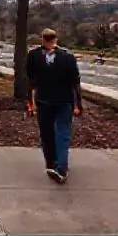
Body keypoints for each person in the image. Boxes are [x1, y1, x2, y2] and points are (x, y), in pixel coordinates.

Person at [25, 28, 83, 184]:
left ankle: (51, 163)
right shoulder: (68, 57)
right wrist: (78, 104)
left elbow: (30, 81)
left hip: (43, 100)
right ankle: (61, 168)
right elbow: (75, 82)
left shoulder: (33, 56)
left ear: (42, 39)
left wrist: (30, 102)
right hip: (64, 100)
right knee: (62, 134)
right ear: (56, 39)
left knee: (46, 133)